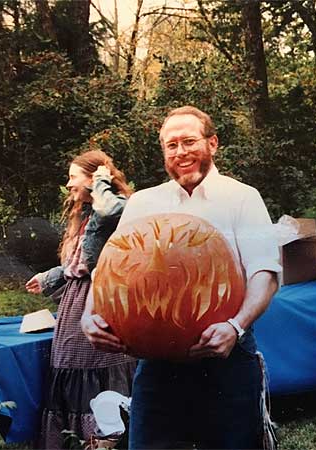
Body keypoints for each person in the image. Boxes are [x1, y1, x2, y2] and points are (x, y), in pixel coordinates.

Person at [81, 106, 281, 449]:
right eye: (171, 145)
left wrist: (235, 326)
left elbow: (265, 273)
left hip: (226, 354)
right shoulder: (144, 202)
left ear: (212, 143)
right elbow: (109, 270)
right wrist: (89, 314)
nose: (180, 152)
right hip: (157, 361)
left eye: (189, 141)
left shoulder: (242, 198)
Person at [25, 150, 136, 449]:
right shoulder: (86, 215)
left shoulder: (114, 206)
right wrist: (49, 277)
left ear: (93, 179)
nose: (68, 184)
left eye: (74, 177)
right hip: (76, 304)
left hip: (103, 298)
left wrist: (101, 180)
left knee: (96, 365)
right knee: (69, 366)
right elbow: (79, 264)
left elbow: (111, 209)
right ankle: (73, 441)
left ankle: (105, 438)